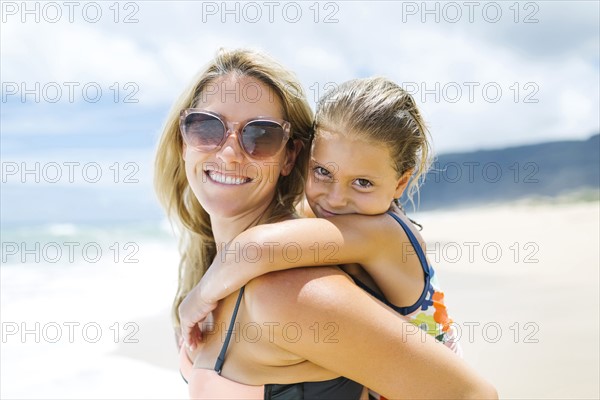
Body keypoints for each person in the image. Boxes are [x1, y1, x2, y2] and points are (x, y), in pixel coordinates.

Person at [155, 48, 497, 399]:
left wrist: (196, 299)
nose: (228, 152)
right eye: (207, 127)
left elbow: (473, 395)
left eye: (261, 135)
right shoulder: (220, 264)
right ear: (183, 140)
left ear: (290, 155)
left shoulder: (289, 292)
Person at [180, 78, 463, 370]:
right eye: (323, 172)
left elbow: (256, 249)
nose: (336, 198)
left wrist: (197, 299)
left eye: (363, 182)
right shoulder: (325, 216)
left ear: (400, 183)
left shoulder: (385, 233)